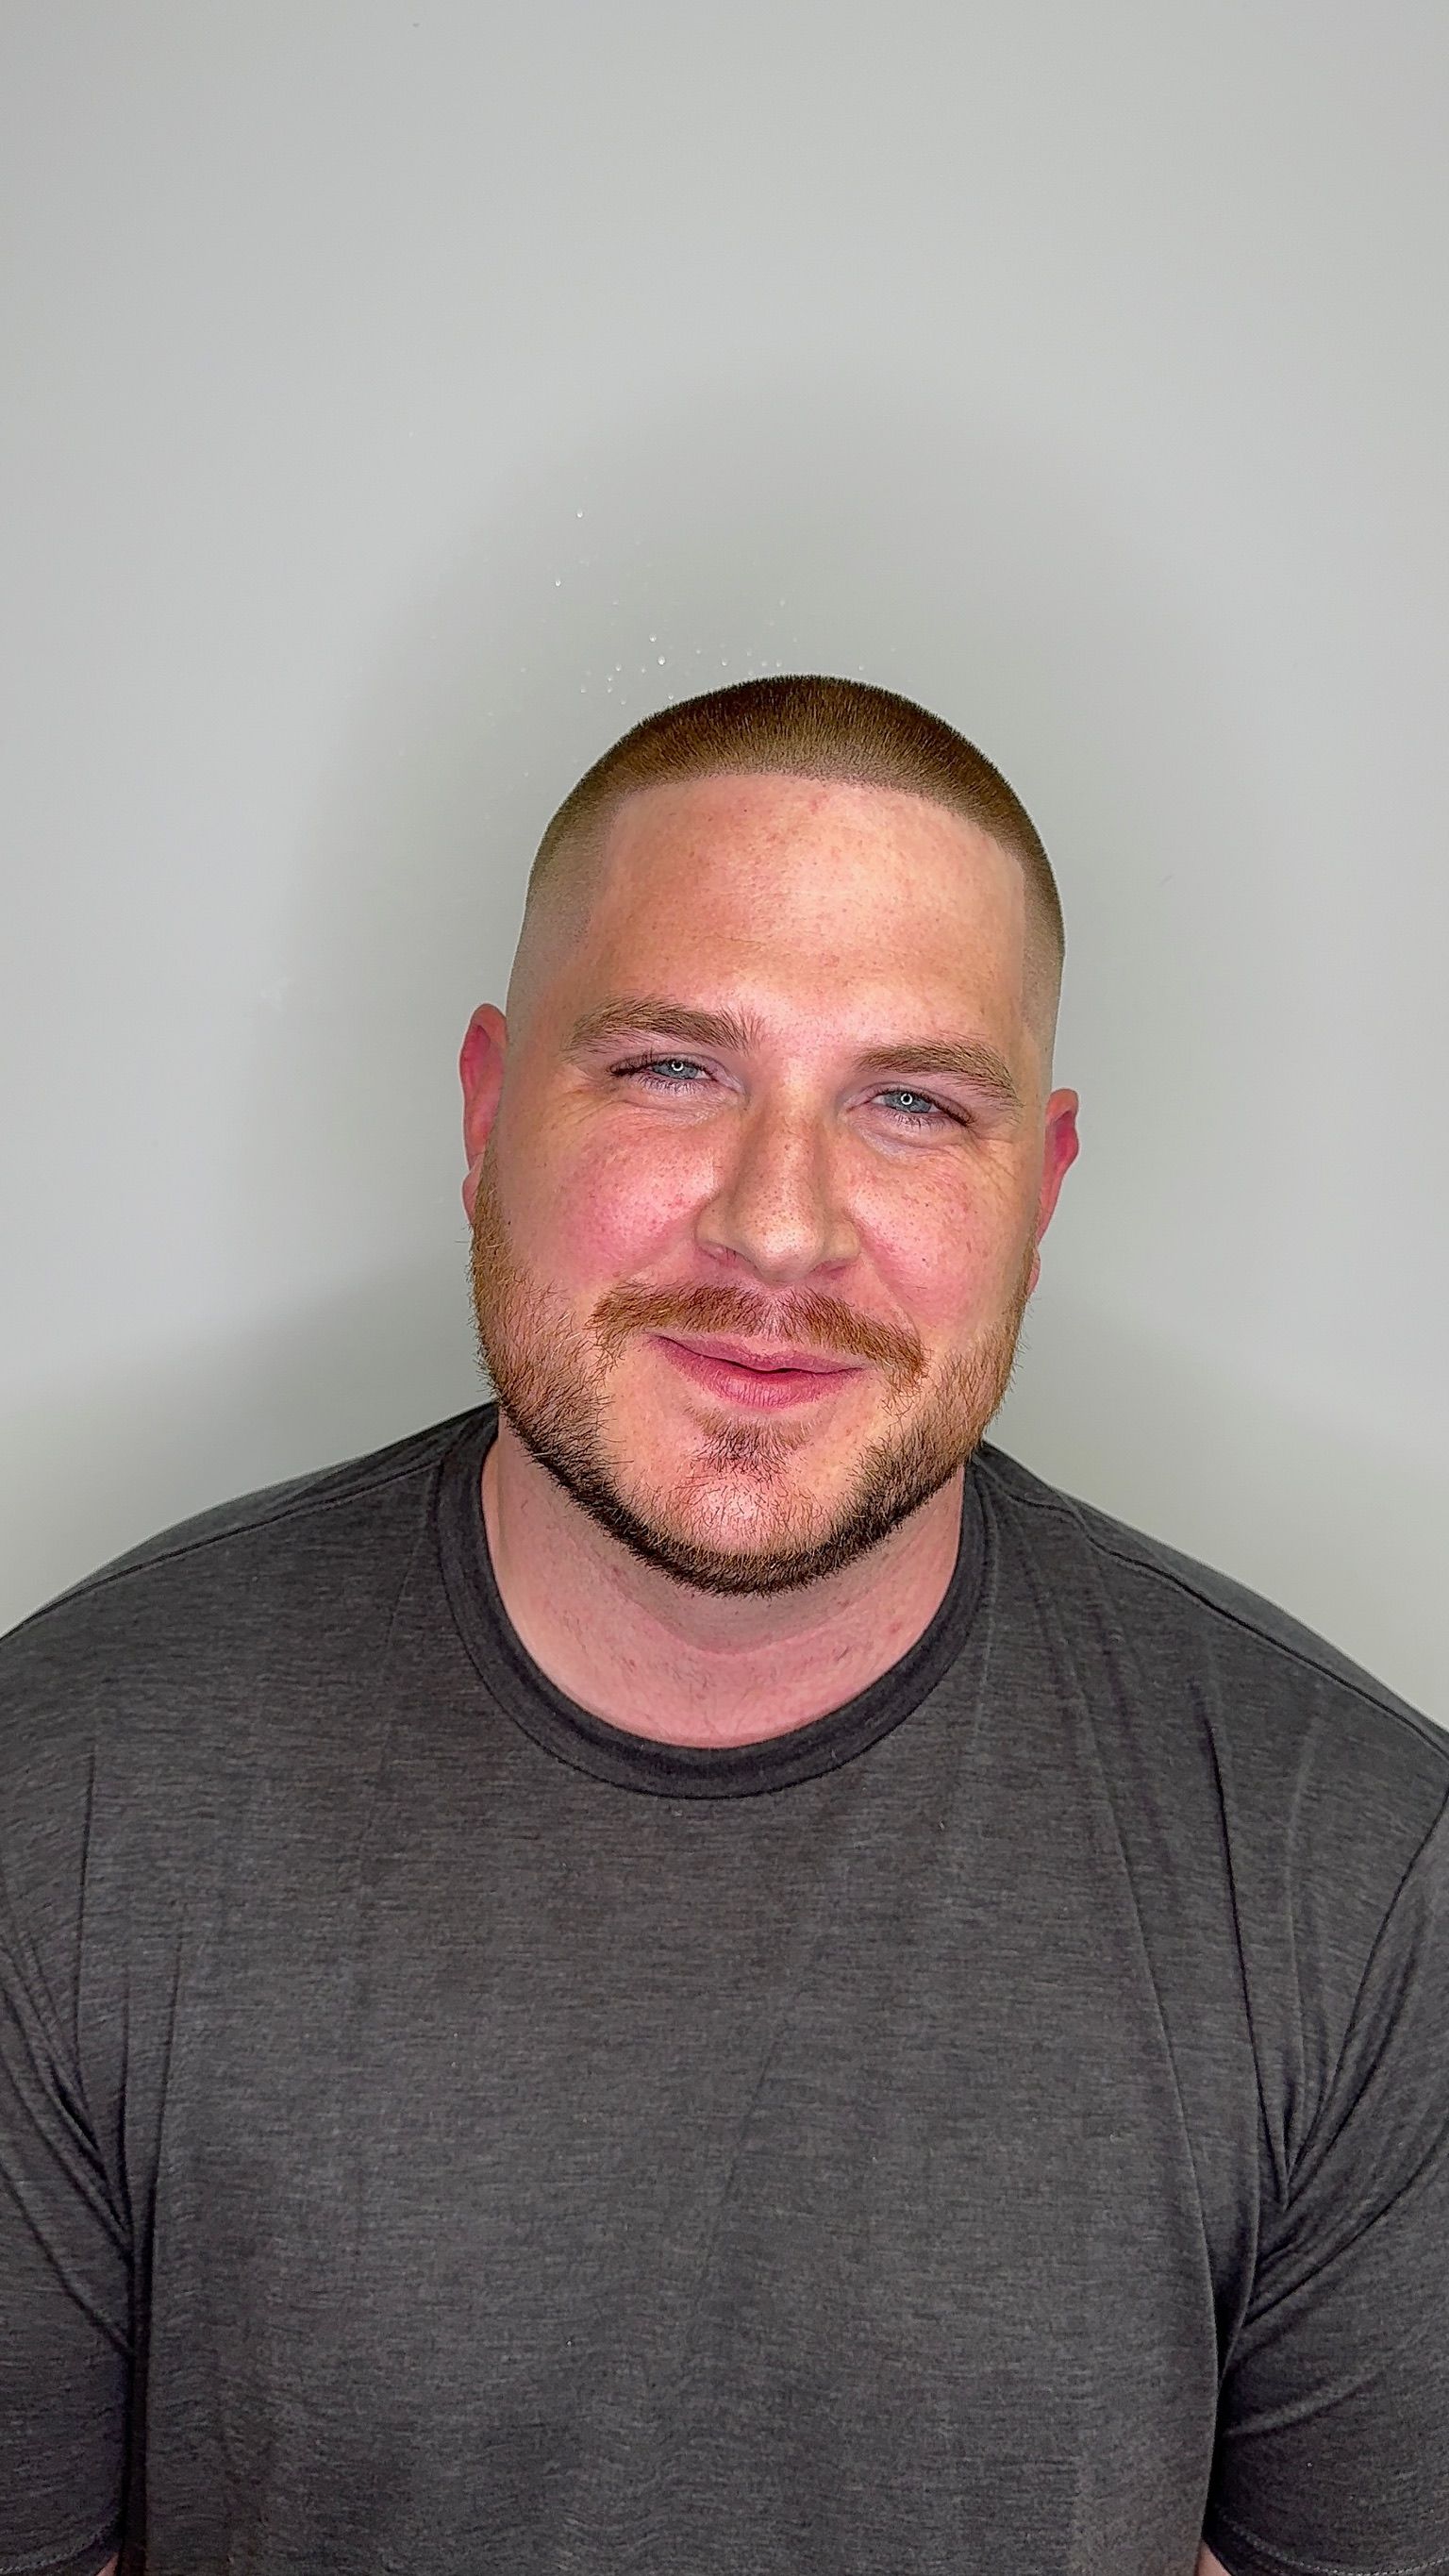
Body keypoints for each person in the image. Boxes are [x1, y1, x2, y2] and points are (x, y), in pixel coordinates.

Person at [2, 676, 1444, 2576]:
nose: (778, 1231)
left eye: (913, 1104)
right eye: (673, 1068)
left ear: (1043, 1192)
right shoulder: (65, 1798)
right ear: (486, 1109)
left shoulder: (1357, 1871)